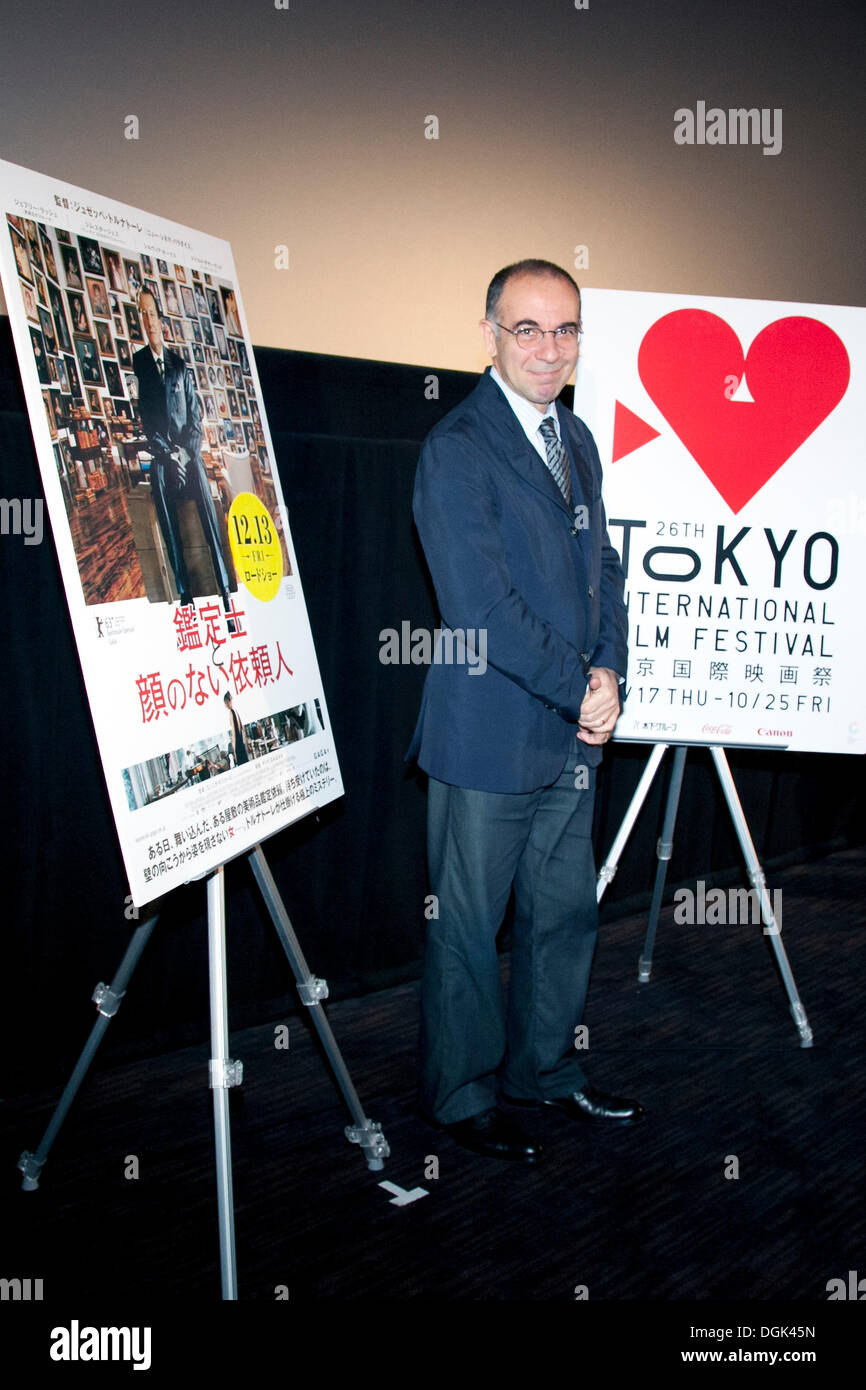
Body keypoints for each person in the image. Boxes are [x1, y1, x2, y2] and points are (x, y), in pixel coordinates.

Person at [409, 259, 641, 1163]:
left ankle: (545, 1072)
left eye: (566, 330)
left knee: (562, 915)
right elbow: (481, 611)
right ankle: (460, 1098)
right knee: (468, 929)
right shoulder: (458, 449)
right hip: (490, 734)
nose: (549, 349)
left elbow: (605, 573)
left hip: (572, 733)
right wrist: (581, 687)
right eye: (528, 329)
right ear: (489, 335)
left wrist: (612, 667)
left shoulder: (576, 438)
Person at [133, 288, 232, 609]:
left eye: (151, 314)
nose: (147, 320)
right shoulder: (140, 363)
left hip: (188, 455)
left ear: (161, 320)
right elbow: (147, 421)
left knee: (205, 494)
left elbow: (195, 416)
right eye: (141, 314)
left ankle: (225, 586)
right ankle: (183, 593)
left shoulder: (179, 365)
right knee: (161, 498)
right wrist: (166, 455)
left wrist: (186, 454)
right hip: (163, 457)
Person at [224, 691, 250, 766]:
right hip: (241, 742)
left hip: (238, 744)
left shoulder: (231, 712)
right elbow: (241, 728)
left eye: (225, 703)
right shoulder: (236, 711)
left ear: (228, 701)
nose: (226, 705)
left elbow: (234, 733)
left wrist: (234, 750)